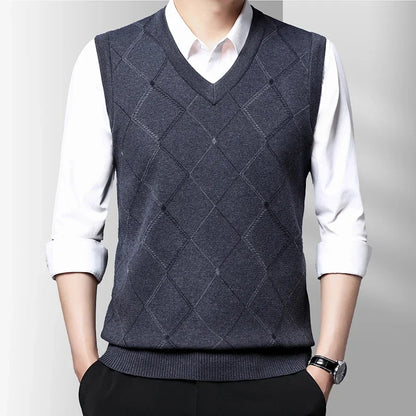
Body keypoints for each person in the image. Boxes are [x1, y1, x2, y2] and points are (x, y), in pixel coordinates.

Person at [45, 0, 372, 415]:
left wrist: (323, 369)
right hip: (134, 384)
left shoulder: (313, 59)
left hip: (277, 385)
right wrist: (88, 371)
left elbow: (344, 224)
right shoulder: (107, 59)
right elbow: (75, 229)